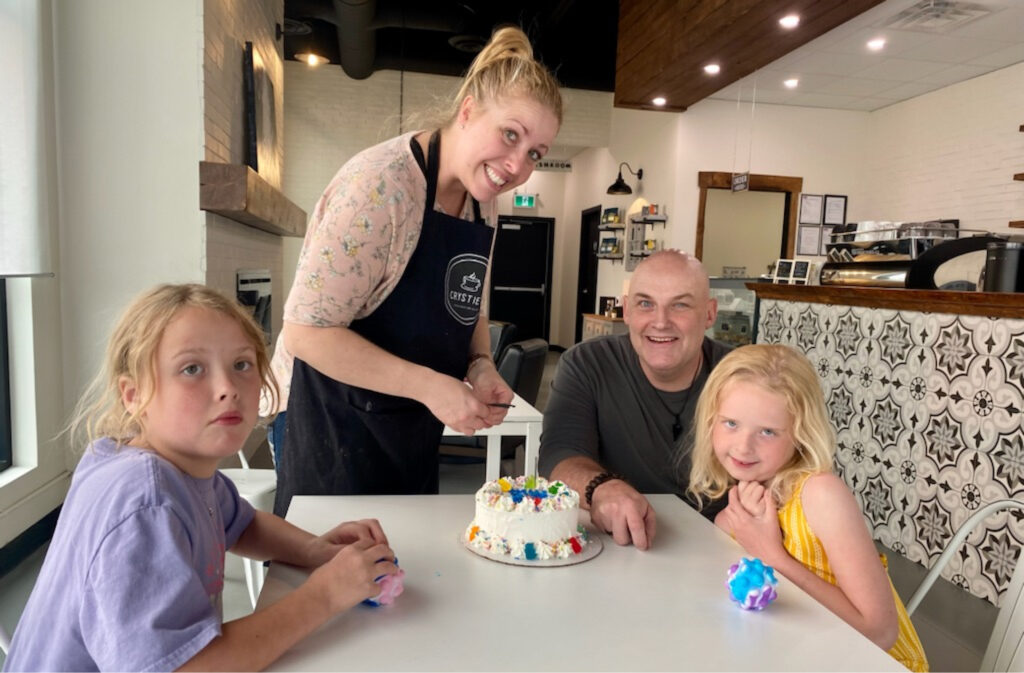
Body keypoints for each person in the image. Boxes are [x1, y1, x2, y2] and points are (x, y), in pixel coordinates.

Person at [3, 284, 398, 672]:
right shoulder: (145, 499)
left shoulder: (177, 467)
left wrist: (313, 549)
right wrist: (324, 596)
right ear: (133, 394)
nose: (228, 388)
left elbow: (242, 525)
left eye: (242, 364)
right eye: (192, 369)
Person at [265, 26, 562, 514]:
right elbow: (306, 334)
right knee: (336, 577)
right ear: (467, 110)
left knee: (406, 571)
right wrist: (431, 386)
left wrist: (479, 365)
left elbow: (471, 307)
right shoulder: (380, 187)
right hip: (329, 421)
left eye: (534, 153)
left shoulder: (481, 203)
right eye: (510, 134)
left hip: (408, 424)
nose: (516, 166)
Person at [688, 344, 928, 672]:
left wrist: (774, 557)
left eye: (768, 432)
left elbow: (881, 632)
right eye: (731, 423)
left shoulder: (820, 495)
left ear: (800, 436)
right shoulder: (736, 513)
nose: (744, 446)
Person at [539, 250, 732, 551]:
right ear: (627, 310)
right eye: (645, 304)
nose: (660, 321)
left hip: (722, 549)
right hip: (619, 545)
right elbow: (560, 452)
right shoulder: (587, 363)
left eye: (679, 305)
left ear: (709, 314)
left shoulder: (742, 376)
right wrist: (601, 488)